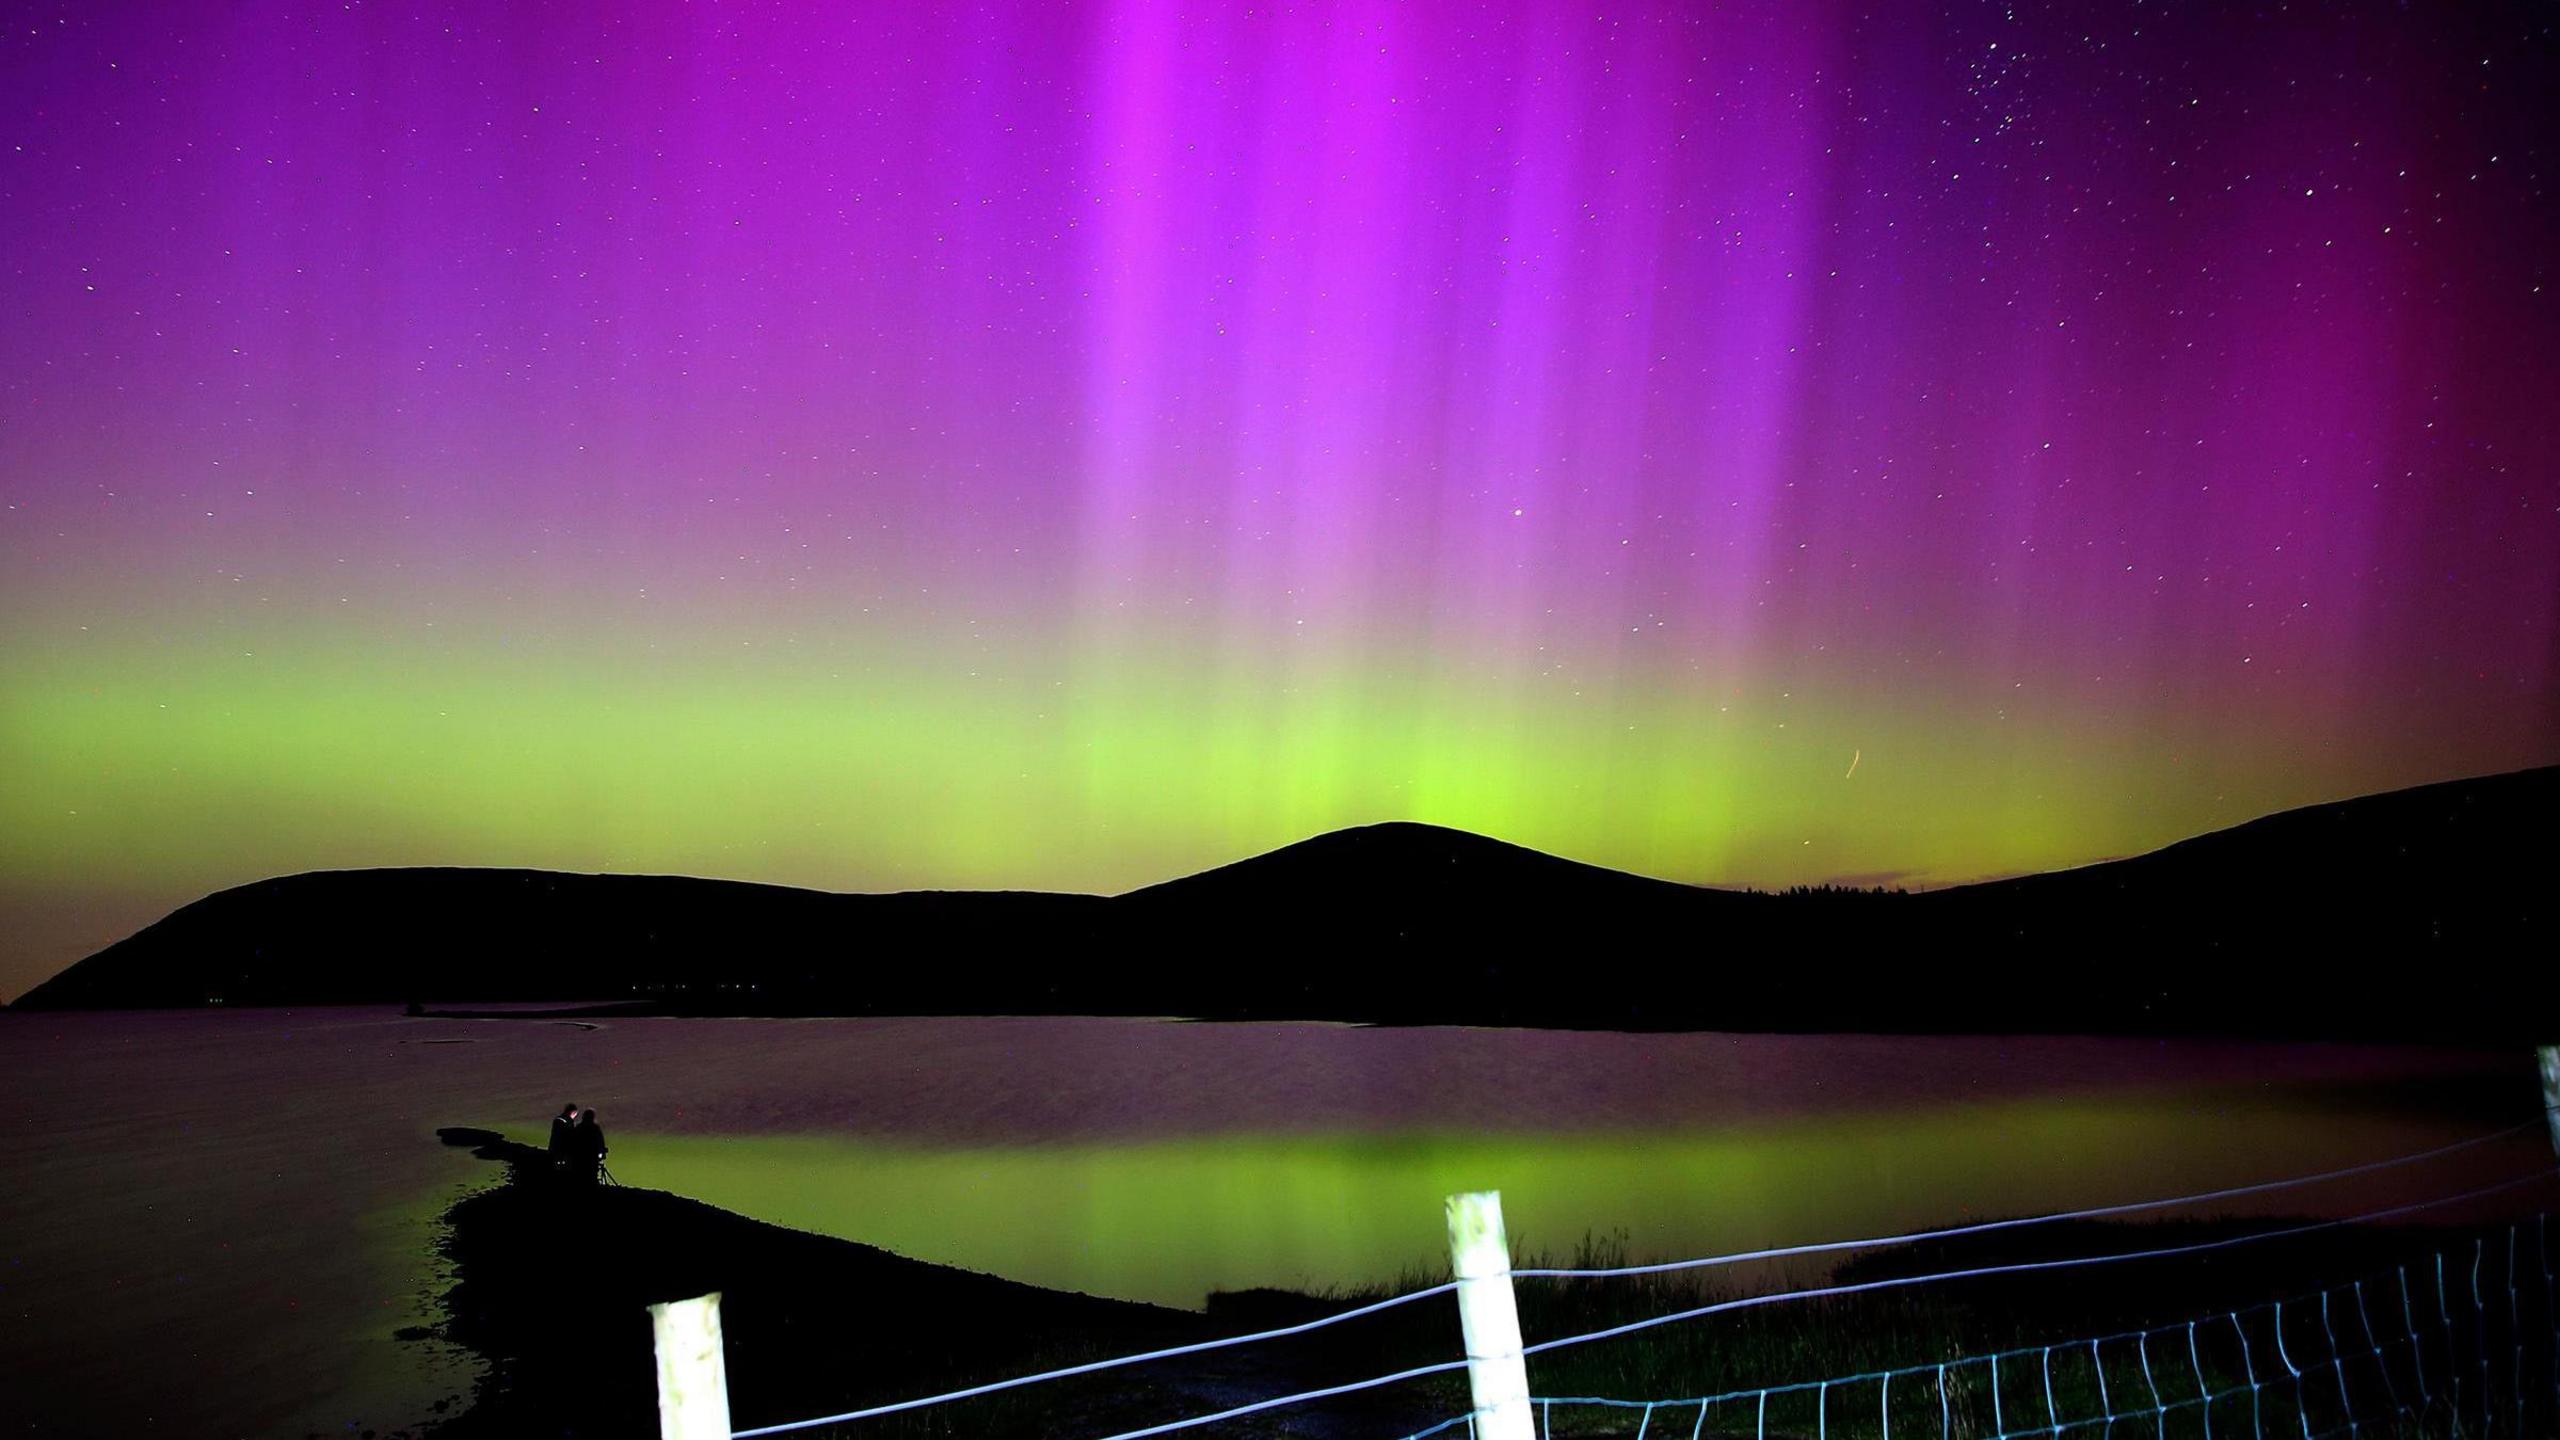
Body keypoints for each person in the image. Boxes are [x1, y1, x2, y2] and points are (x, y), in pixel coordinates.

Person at [573, 1107, 609, 1185]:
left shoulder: (579, 1127)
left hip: (579, 1159)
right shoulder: (595, 1128)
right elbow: (600, 1141)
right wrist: (602, 1152)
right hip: (591, 1158)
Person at [547, 1103, 581, 1179]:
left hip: (557, 1150)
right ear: (573, 1113)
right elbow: (567, 1136)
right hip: (560, 1152)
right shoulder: (565, 1121)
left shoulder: (559, 1120)